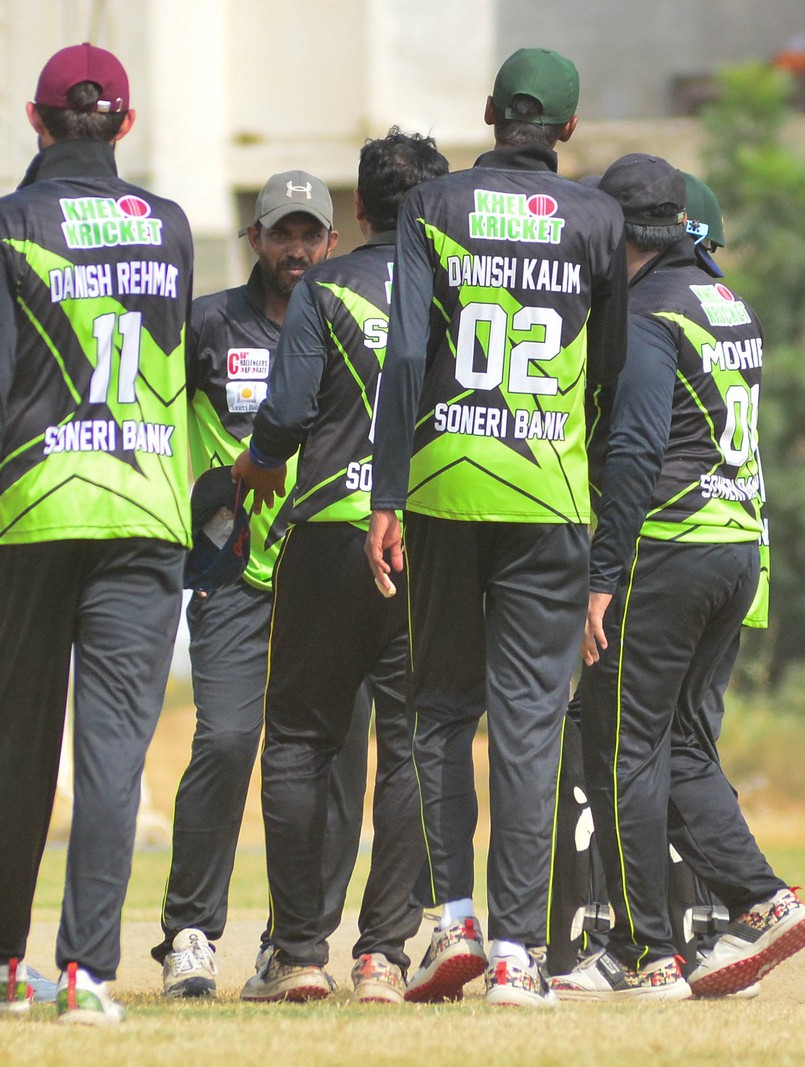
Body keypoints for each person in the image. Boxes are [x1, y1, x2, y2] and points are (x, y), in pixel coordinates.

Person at [0, 42, 195, 1026]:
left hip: (34, 512)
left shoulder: (7, 224)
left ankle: (2, 962)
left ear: (35, 121)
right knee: (113, 753)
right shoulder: (170, 227)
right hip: (143, 510)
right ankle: (86, 973)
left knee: (17, 748)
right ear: (126, 124)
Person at [366, 47, 629, 1007]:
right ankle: (519, 954)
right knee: (528, 727)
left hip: (443, 488)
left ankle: (456, 918)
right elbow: (611, 380)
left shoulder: (434, 206)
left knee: (440, 710)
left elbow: (406, 354)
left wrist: (386, 492)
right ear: (567, 127)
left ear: (488, 113)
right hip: (550, 495)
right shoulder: (597, 219)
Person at [548, 154, 805, 1002]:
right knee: (681, 746)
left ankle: (643, 952)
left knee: (619, 747)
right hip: (737, 547)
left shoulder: (646, 312)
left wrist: (602, 573)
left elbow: (635, 447)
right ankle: (763, 900)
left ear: (618, 232)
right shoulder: (726, 302)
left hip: (665, 547)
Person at [232, 129, 451, 1004]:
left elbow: (286, 415)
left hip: (329, 534)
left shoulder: (324, 287)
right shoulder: (458, 289)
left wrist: (258, 462)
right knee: (411, 746)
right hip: (427, 537)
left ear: (357, 210)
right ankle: (382, 955)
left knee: (298, 739)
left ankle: (297, 953)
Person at [154, 169, 370, 999]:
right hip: (236, 574)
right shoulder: (208, 324)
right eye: (282, 233)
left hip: (333, 570)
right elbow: (157, 423)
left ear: (333, 241)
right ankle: (189, 933)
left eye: (310, 234)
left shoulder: (353, 319)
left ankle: (294, 942)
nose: (296, 249)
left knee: (336, 762)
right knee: (227, 739)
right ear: (255, 239)